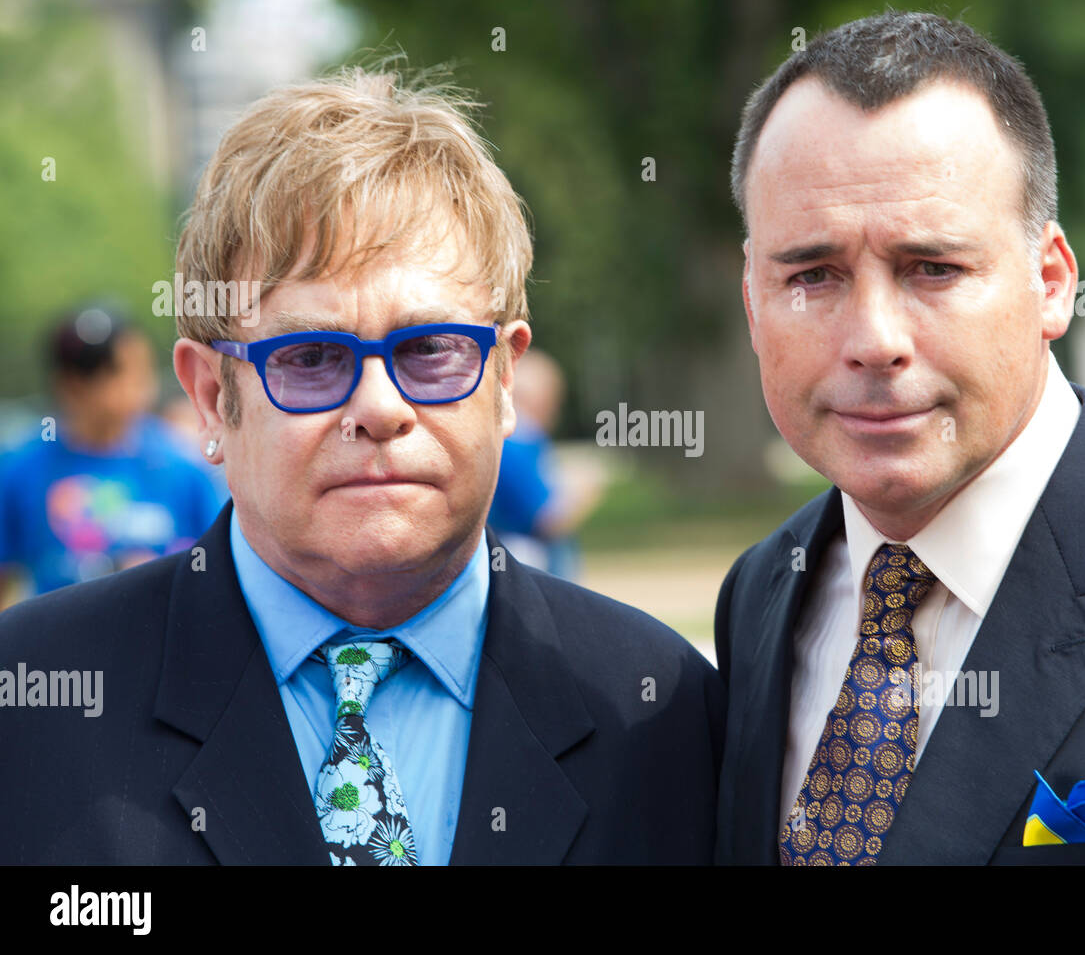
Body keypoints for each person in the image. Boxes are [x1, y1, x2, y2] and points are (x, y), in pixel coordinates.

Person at [0, 68, 722, 865]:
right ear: (211, 397)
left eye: (430, 350)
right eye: (311, 357)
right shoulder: (30, 702)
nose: (379, 406)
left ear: (505, 379)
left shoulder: (668, 714)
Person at [713, 12, 1085, 865]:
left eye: (933, 269)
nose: (876, 337)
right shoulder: (762, 594)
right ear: (753, 302)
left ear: (1052, 283)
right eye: (812, 275)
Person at [0, 305, 223, 605]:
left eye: (144, 368)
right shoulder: (22, 469)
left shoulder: (181, 468)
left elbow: (217, 571)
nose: (143, 385)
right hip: (57, 642)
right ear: (73, 386)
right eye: (123, 373)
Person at [488, 348, 606, 578]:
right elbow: (545, 520)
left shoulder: (517, 440)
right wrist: (584, 493)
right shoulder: (517, 440)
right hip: (526, 563)